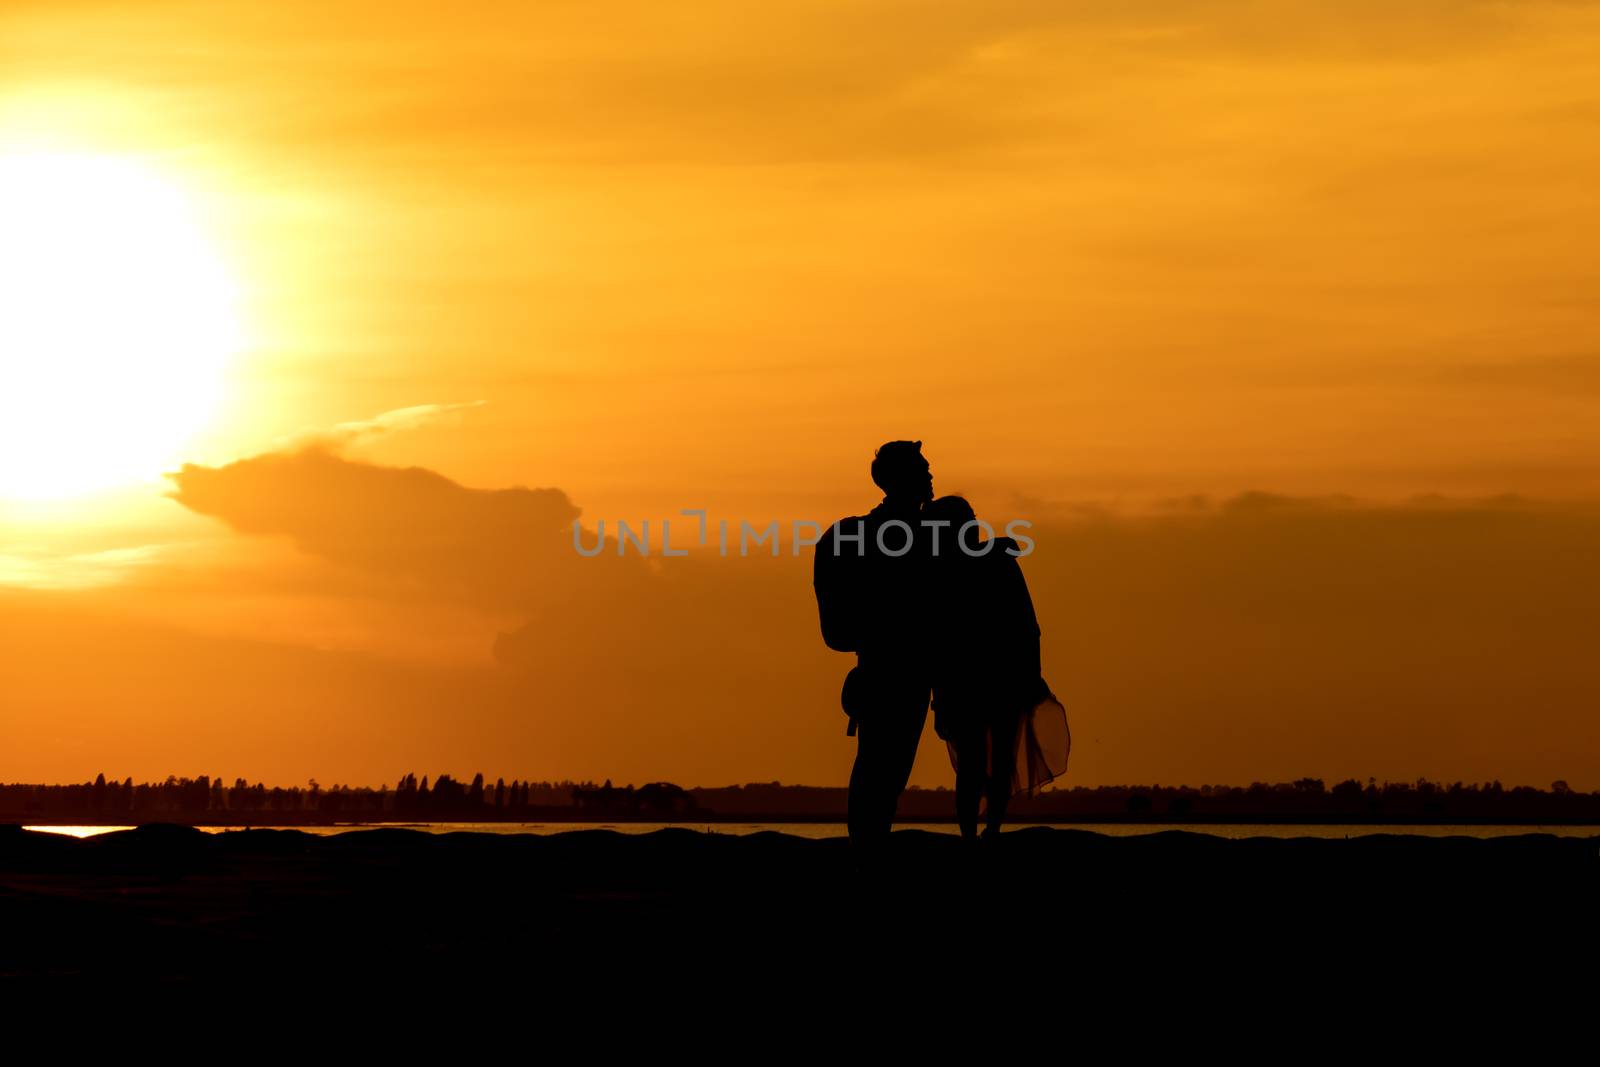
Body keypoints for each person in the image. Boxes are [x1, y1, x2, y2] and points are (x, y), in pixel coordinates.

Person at [813, 440, 935, 852]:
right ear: (900, 479)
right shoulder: (902, 537)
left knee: (887, 766)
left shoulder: (915, 533)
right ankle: (867, 847)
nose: (930, 476)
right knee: (881, 765)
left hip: (903, 669)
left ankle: (869, 844)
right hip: (890, 670)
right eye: (922, 469)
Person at [922, 494, 1057, 840]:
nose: (971, 523)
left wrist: (1031, 673)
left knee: (983, 762)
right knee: (983, 762)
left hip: (990, 680)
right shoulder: (950, 569)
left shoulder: (949, 570)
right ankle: (982, 832)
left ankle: (983, 832)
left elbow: (1026, 624)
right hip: (978, 681)